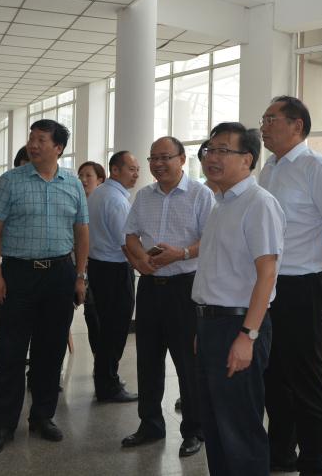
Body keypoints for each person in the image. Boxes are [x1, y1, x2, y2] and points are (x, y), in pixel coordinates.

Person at [0, 119, 89, 456]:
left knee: (51, 349)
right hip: (18, 273)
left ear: (58, 148)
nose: (34, 144)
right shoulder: (10, 181)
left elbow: (82, 231)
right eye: (32, 138)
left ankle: (43, 416)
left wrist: (80, 276)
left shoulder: (72, 183)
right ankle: (3, 424)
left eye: (42, 139)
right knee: (11, 351)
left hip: (59, 273)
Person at [259, 96, 322, 475]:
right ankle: (281, 453)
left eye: (271, 119)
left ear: (297, 125)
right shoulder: (269, 168)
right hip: (269, 285)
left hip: (302, 286)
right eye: (263, 120)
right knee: (273, 374)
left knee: (305, 377)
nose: (263, 127)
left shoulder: (317, 168)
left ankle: (314, 463)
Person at [192, 122, 286, 475]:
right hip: (213, 324)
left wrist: (248, 335)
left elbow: (267, 274)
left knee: (240, 431)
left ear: (247, 159)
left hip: (240, 325)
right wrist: (203, 324)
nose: (211, 158)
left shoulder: (258, 203)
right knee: (215, 425)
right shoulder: (220, 203)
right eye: (209, 150)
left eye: (222, 150)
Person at [121, 136, 214, 458]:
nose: (158, 164)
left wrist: (182, 253)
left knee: (188, 363)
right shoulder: (144, 196)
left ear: (182, 159)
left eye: (165, 157)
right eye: (153, 158)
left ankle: (194, 430)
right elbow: (131, 235)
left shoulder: (201, 195)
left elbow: (211, 240)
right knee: (147, 360)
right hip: (150, 287)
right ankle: (150, 424)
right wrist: (139, 260)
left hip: (185, 289)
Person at [86, 152, 139, 403]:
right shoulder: (116, 201)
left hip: (98, 267)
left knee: (106, 328)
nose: (136, 174)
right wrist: (144, 265)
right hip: (115, 270)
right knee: (115, 330)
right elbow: (126, 243)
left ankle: (105, 379)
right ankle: (108, 385)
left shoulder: (98, 194)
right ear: (115, 170)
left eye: (137, 169)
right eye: (131, 169)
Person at [77, 160, 107, 359]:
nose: (83, 180)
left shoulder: (104, 204)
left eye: (88, 176)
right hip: (75, 266)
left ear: (100, 180)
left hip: (98, 266)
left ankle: (100, 360)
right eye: (81, 175)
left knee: (94, 314)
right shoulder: (76, 203)